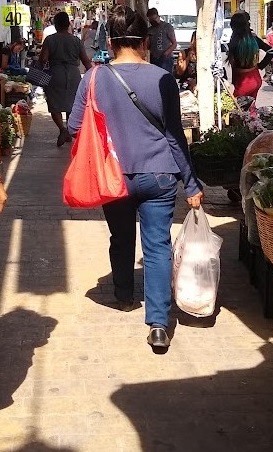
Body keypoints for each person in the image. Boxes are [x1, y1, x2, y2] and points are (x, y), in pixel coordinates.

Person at [68, 6, 204, 349]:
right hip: (159, 174)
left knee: (121, 237)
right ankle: (158, 323)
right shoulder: (162, 79)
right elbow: (175, 134)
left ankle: (124, 294)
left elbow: (73, 127)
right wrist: (190, 183)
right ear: (145, 40)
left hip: (113, 175)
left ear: (110, 42)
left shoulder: (94, 78)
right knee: (157, 246)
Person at [39, 12, 92, 147]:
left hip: (55, 74)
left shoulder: (50, 40)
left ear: (55, 25)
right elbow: (86, 62)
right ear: (68, 24)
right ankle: (68, 128)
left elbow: (43, 59)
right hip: (73, 74)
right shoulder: (76, 41)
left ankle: (62, 130)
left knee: (54, 104)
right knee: (72, 103)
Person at [226, 12, 273, 101]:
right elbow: (271, 51)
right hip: (255, 76)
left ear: (233, 26)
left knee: (238, 110)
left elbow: (233, 65)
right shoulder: (253, 38)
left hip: (243, 81)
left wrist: (234, 82)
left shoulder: (235, 41)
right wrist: (260, 66)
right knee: (251, 108)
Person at [146, 8, 177, 73]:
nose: (153, 22)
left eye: (154, 19)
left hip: (166, 58)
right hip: (154, 58)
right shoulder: (150, 30)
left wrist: (166, 53)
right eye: (151, 21)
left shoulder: (167, 27)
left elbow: (174, 43)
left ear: (158, 17)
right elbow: (148, 46)